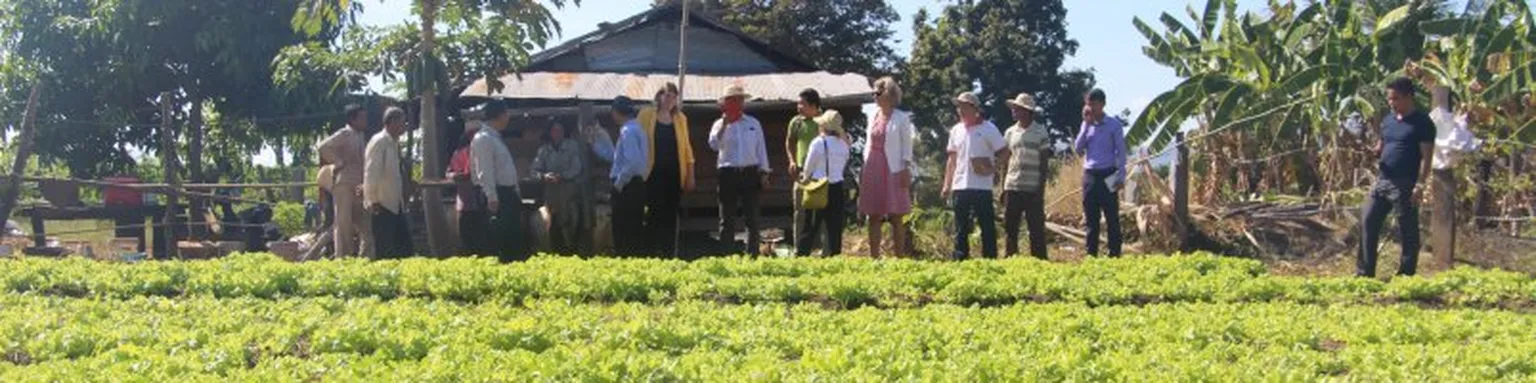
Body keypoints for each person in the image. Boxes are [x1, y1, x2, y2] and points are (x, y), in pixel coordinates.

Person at [1359, 77, 1435, 278]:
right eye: (1390, 99)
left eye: (1396, 99)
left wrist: (1420, 184)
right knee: (1368, 221)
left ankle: (1406, 274)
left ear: (1410, 97)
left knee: (1407, 230)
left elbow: (1426, 157)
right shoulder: (1388, 121)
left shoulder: (1422, 123)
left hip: (1405, 183)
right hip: (1383, 180)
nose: (1392, 103)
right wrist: (1371, 152)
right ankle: (1364, 273)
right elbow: (1381, 147)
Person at [942, 92, 1008, 260]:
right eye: (959, 107)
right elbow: (952, 160)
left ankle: (990, 260)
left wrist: (992, 167)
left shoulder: (989, 128)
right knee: (961, 227)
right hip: (960, 185)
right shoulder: (956, 130)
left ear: (975, 109)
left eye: (964, 107)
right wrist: (946, 184)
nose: (960, 110)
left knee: (986, 225)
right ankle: (960, 260)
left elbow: (1004, 152)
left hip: (981, 186)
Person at [708, 84, 772, 256]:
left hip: (750, 173)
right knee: (727, 218)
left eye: (740, 99)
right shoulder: (718, 124)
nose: (738, 102)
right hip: (727, 173)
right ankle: (726, 255)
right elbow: (713, 145)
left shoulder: (753, 123)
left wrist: (764, 173)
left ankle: (752, 255)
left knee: (752, 218)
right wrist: (724, 124)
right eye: (734, 99)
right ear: (726, 103)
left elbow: (761, 149)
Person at [859, 77, 916, 259]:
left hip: (894, 167)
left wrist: (906, 168)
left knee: (896, 215)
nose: (874, 97)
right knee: (873, 214)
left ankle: (899, 256)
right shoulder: (873, 115)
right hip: (873, 166)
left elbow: (907, 146)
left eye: (878, 93)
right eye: (873, 93)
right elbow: (868, 143)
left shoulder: (901, 118)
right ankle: (874, 257)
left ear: (888, 94)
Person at [641, 83, 696, 258]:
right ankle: (650, 254)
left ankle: (669, 255)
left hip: (673, 175)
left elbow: (687, 149)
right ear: (658, 96)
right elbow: (637, 141)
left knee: (671, 216)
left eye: (673, 96)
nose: (670, 99)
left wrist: (690, 175)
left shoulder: (681, 119)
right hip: (652, 174)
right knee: (653, 214)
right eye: (666, 95)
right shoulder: (646, 115)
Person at [471, 99, 529, 262]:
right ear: (500, 115)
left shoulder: (495, 137)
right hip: (498, 194)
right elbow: (485, 170)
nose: (508, 118)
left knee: (513, 240)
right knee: (499, 240)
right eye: (506, 114)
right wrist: (492, 197)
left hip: (507, 193)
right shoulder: (483, 138)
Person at [1073, 89, 1127, 257]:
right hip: (1090, 175)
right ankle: (1091, 255)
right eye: (1088, 104)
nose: (1091, 108)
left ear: (1102, 104)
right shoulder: (1086, 125)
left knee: (1112, 217)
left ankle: (1115, 254)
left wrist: (1121, 175)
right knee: (1091, 219)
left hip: (1109, 173)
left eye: (1094, 104)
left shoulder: (1114, 125)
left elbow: (1121, 152)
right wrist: (1086, 126)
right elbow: (1078, 148)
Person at [317, 104, 373, 258]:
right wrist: (338, 162)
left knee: (367, 226)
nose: (365, 121)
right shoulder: (344, 134)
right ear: (352, 119)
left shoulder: (361, 136)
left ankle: (366, 260)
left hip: (360, 185)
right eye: (362, 118)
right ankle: (343, 260)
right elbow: (323, 147)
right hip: (344, 184)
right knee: (344, 225)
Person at [1000, 93, 1051, 260]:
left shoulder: (1040, 131)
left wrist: (1040, 189)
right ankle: (1010, 258)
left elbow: (1044, 163)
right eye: (1013, 108)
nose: (1014, 111)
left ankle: (1040, 261)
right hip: (1013, 185)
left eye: (1017, 108)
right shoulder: (1009, 132)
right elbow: (1005, 161)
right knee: (1010, 227)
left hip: (1032, 187)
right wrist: (1003, 187)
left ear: (1027, 111)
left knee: (1036, 228)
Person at [797, 110, 850, 257]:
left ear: (823, 127)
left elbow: (808, 167)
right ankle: (835, 255)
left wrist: (805, 178)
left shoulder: (818, 142)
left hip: (818, 186)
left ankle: (802, 254)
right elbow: (844, 163)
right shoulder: (843, 145)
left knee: (811, 225)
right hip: (837, 187)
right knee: (834, 227)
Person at [364, 107, 413, 259]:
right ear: (391, 122)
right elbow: (371, 172)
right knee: (385, 249)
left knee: (404, 248)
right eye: (402, 122)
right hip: (382, 204)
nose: (404, 126)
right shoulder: (379, 142)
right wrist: (372, 200)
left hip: (395, 204)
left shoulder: (394, 143)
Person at [531, 119, 584, 255]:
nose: (557, 133)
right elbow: (534, 171)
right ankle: (555, 251)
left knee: (571, 221)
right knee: (551, 222)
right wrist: (544, 177)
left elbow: (577, 167)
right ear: (549, 133)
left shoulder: (572, 146)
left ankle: (572, 250)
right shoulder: (543, 150)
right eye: (554, 130)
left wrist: (563, 176)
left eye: (559, 130)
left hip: (569, 191)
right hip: (551, 192)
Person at [609, 96, 650, 257]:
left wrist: (619, 183)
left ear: (617, 112)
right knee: (635, 231)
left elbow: (632, 162)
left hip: (627, 187)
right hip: (638, 184)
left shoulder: (627, 131)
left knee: (623, 233)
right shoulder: (639, 130)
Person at [787, 88, 824, 253]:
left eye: (802, 103)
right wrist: (792, 160)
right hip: (802, 173)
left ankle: (824, 250)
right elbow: (789, 142)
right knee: (800, 212)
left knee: (821, 211)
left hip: (821, 173)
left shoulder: (824, 121)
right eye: (798, 103)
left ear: (814, 105)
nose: (799, 106)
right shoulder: (796, 122)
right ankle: (799, 249)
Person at [447, 127, 491, 256]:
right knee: (467, 240)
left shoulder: (485, 154)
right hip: (465, 202)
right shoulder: (459, 153)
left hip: (482, 202)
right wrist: (456, 175)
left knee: (484, 239)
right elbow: (449, 172)